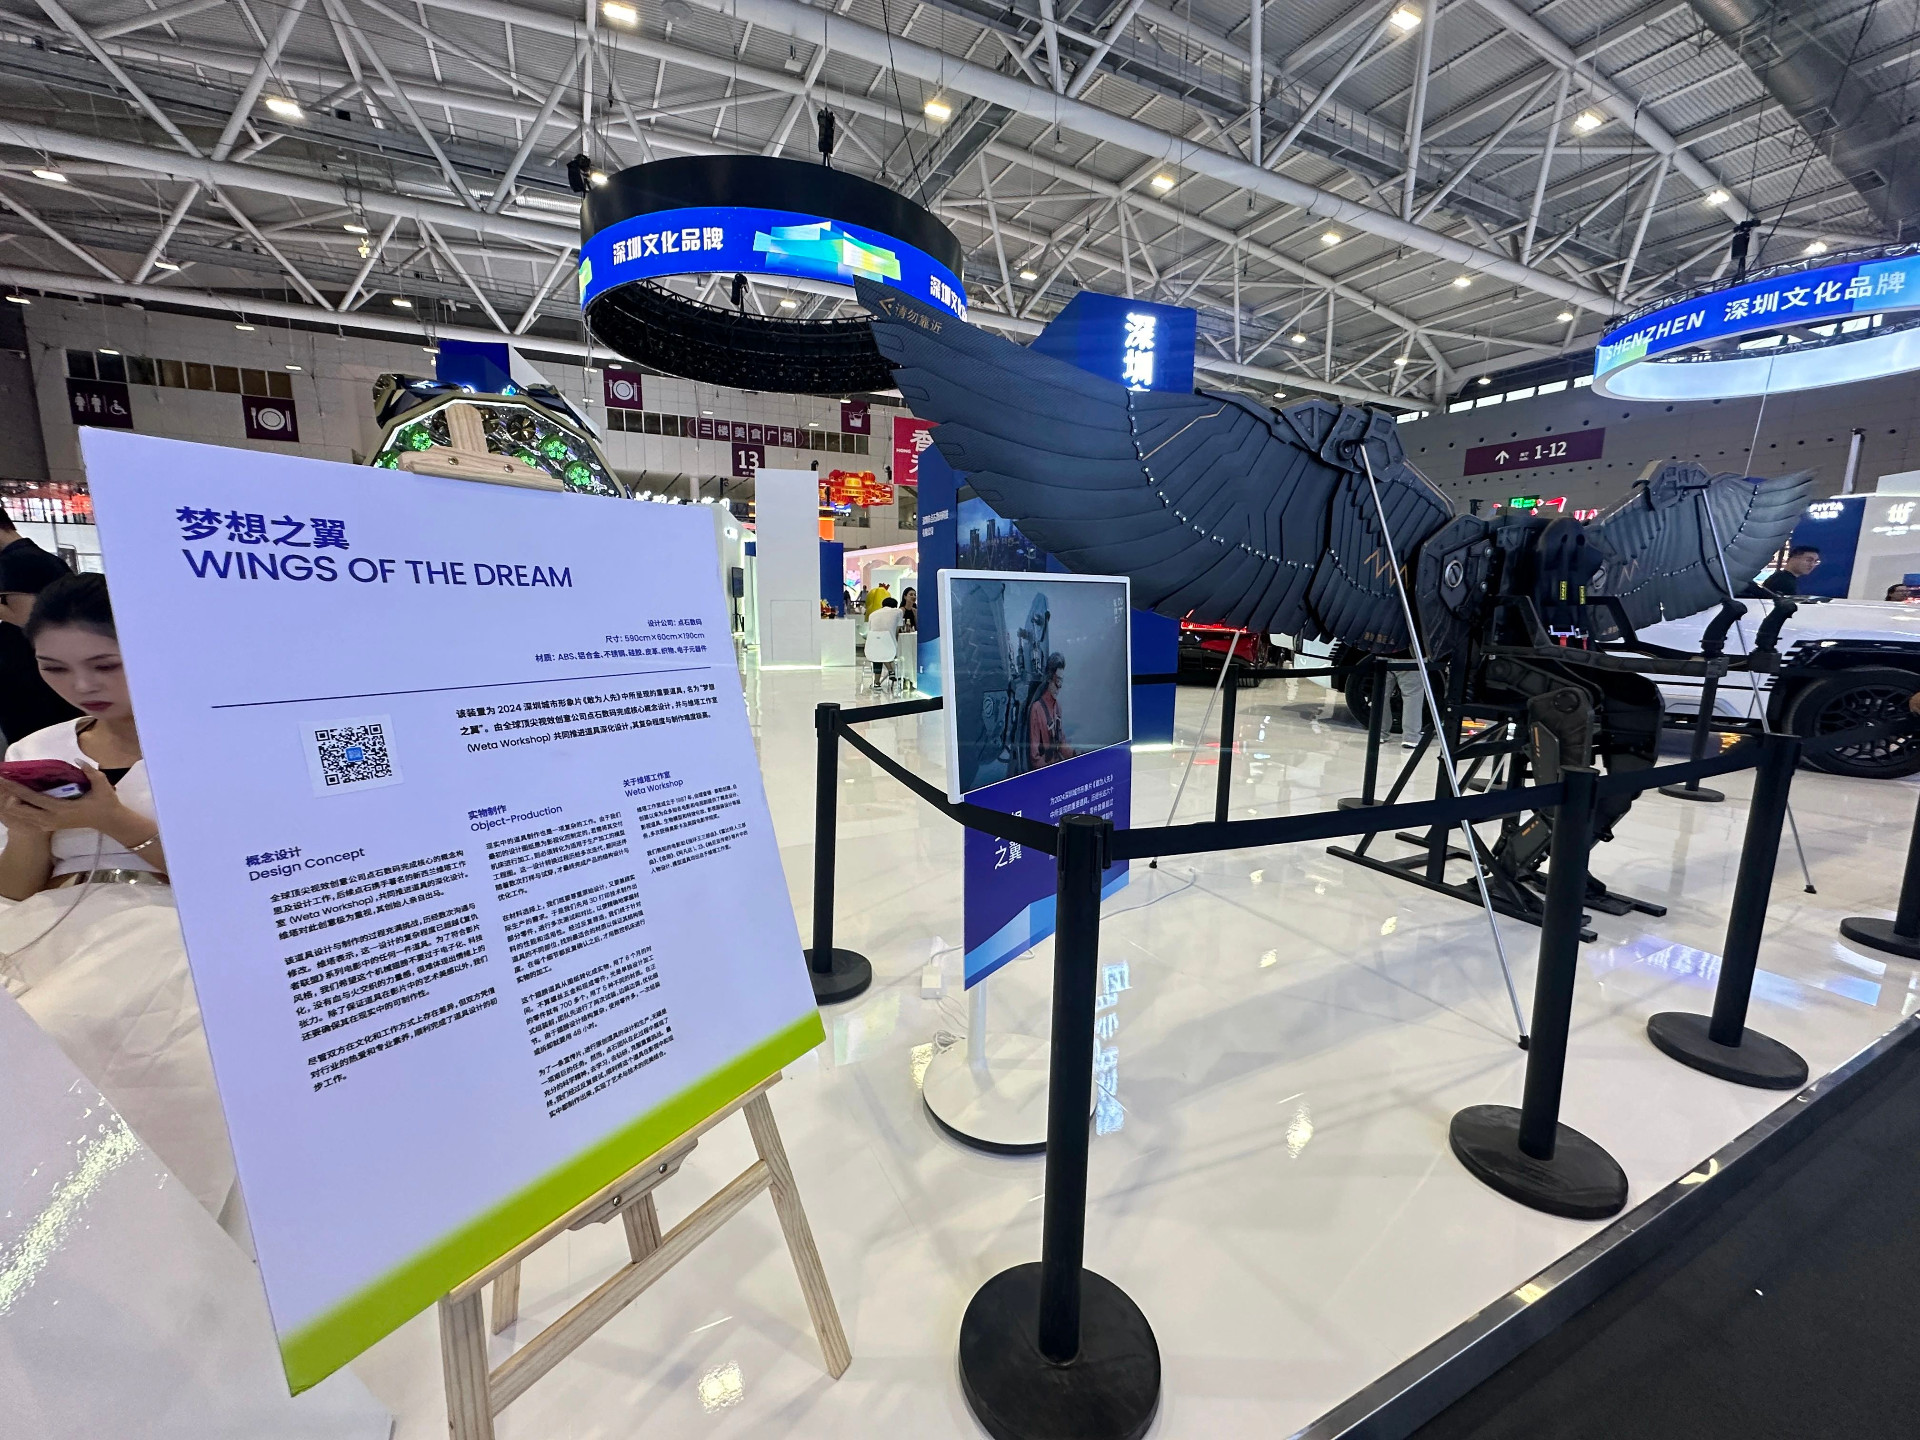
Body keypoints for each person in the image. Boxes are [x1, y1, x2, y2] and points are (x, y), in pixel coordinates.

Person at [0, 574, 237, 1228]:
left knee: (59, 1029)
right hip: (46, 920)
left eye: (106, 665)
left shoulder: (210, 739)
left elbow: (232, 878)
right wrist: (27, 827)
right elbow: (15, 887)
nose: (82, 686)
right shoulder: (37, 749)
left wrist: (113, 820)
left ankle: (109, 1227)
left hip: (167, 922)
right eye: (54, 668)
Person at [0, 514, 80, 746]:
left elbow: (26, 617)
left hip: (30, 674)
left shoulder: (16, 561)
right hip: (43, 666)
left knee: (35, 743)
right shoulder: (37, 557)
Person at [1028, 652, 1075, 770]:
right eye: (1057, 681)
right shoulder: (1037, 709)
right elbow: (1035, 758)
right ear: (1049, 679)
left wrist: (1075, 755)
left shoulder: (1057, 707)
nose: (1059, 687)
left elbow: (1061, 743)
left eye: (1061, 681)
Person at [866, 595, 901, 688]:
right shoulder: (898, 612)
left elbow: (871, 630)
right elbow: (898, 629)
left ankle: (877, 682)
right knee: (882, 649)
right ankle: (891, 670)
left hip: (872, 646)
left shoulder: (872, 614)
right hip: (890, 646)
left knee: (878, 651)